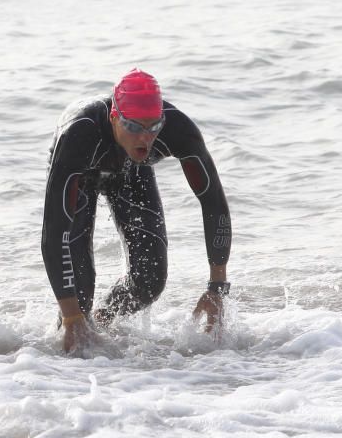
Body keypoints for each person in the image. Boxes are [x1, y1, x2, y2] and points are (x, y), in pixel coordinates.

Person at [41, 68, 231, 353]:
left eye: (153, 127)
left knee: (149, 280)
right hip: (79, 174)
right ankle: (68, 344)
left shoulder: (178, 129)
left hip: (131, 172)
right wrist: (71, 316)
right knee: (77, 300)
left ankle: (103, 322)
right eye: (134, 127)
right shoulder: (79, 135)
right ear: (115, 118)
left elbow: (213, 199)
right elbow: (55, 231)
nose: (145, 138)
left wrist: (217, 287)